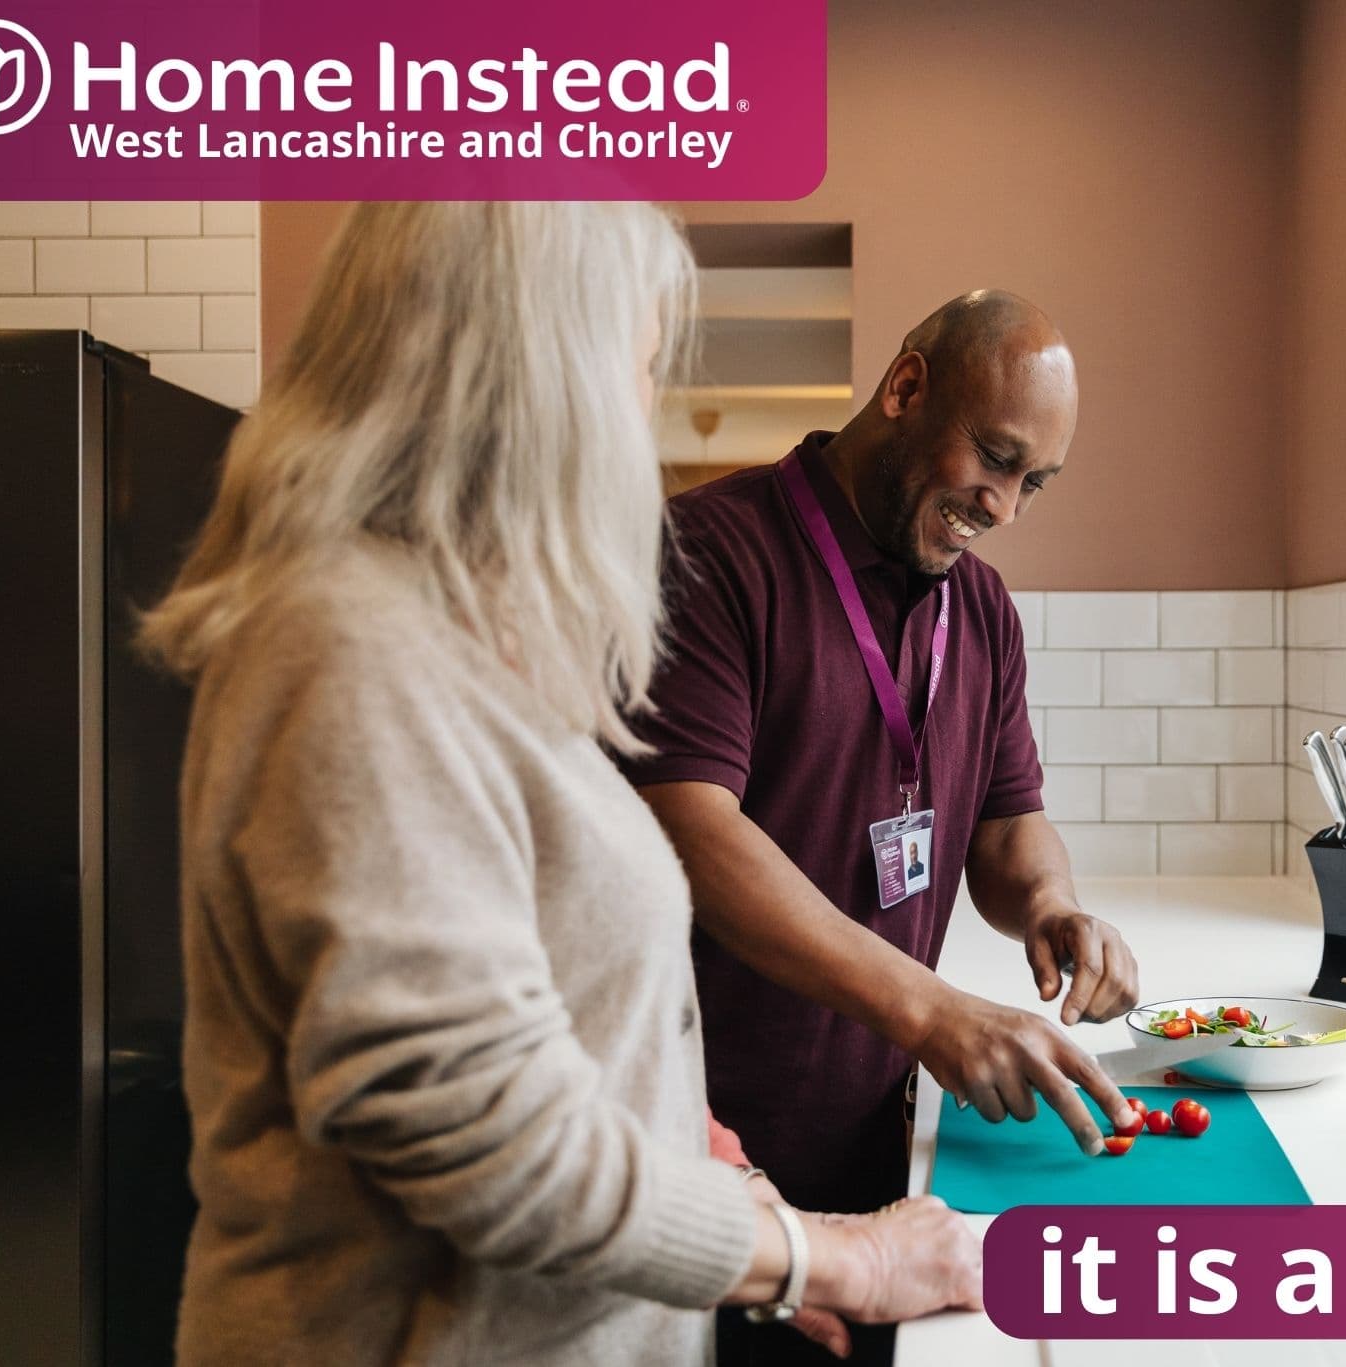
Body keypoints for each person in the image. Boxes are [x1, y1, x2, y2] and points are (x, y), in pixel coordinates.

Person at [141, 202, 980, 1367]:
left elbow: (519, 985)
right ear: (537, 374)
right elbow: (479, 1134)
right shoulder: (348, 648)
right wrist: (838, 1258)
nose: (642, 412)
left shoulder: (443, 630)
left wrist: (681, 1133)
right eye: (636, 366)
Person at [623, 290, 1141, 1364]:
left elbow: (1009, 827)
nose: (1001, 506)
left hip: (881, 1138)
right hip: (701, 1157)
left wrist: (1051, 904)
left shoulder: (983, 609)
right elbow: (688, 831)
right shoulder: (708, 553)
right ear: (905, 388)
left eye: (1032, 482)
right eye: (993, 459)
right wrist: (933, 1010)